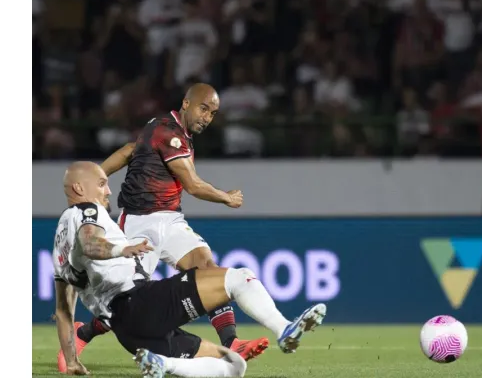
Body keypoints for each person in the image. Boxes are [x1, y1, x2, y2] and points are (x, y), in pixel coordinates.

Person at [54, 162, 327, 377]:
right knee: (239, 277)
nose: (108, 191)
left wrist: (72, 360)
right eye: (102, 184)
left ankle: (162, 364)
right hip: (141, 303)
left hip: (127, 332)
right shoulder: (86, 210)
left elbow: (64, 311)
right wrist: (120, 249)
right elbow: (91, 243)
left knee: (234, 366)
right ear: (79, 188)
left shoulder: (60, 252)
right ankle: (283, 329)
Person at [58, 83, 260, 372]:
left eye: (213, 113)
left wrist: (97, 176)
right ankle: (83, 333)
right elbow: (191, 184)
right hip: (139, 221)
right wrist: (226, 197)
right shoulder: (164, 128)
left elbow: (130, 150)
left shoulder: (177, 134)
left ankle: (232, 342)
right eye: (204, 109)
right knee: (127, 298)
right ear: (186, 103)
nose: (207, 117)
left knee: (206, 266)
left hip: (170, 219)